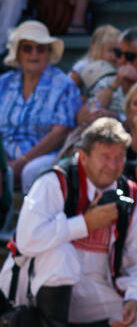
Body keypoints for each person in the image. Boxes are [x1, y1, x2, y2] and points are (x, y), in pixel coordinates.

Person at [3, 116, 137, 327]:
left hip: (92, 288)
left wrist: (135, 299)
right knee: (61, 254)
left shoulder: (128, 194)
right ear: (83, 155)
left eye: (119, 157)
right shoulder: (55, 182)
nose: (113, 165)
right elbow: (27, 240)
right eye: (105, 157)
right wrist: (83, 223)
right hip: (35, 285)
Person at [1, 21, 77, 196]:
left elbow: (60, 132)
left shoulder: (63, 84)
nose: (34, 54)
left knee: (32, 171)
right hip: (5, 154)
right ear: (18, 53)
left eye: (40, 49)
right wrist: (3, 161)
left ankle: (32, 220)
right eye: (27, 48)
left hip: (46, 155)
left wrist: (22, 161)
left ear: (48, 53)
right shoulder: (4, 83)